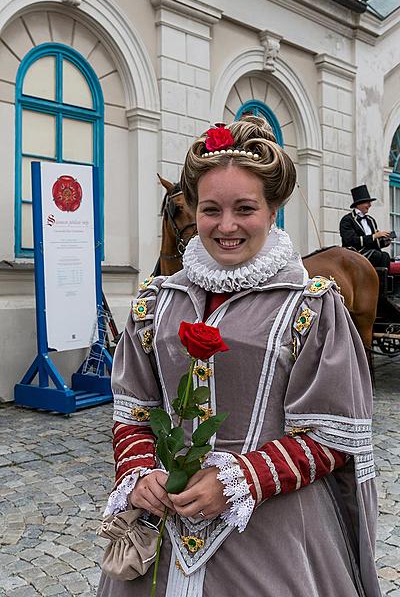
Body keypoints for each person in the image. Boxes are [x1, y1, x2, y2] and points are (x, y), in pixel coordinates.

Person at [97, 117, 381, 597]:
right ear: (193, 212)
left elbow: (333, 436)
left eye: (245, 208)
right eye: (211, 210)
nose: (226, 226)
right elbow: (134, 413)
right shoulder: (155, 303)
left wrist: (238, 480)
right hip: (163, 529)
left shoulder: (310, 305)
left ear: (273, 211)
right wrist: (139, 472)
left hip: (272, 529)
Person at [340, 184, 391, 268]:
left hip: (371, 253)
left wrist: (384, 242)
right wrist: (374, 236)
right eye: (367, 202)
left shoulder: (371, 220)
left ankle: (382, 281)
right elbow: (350, 241)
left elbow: (373, 243)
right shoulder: (347, 220)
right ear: (359, 204)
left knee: (385, 256)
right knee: (377, 255)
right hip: (354, 253)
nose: (370, 205)